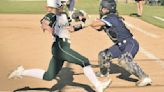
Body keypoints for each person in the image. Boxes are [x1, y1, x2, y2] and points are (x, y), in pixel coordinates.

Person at [8, 0, 111, 92]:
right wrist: (49, 29)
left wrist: (82, 19)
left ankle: (21, 72)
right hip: (60, 47)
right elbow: (44, 23)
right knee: (84, 61)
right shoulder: (52, 15)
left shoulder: (65, 15)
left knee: (48, 76)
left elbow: (70, 27)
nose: (64, 4)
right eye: (62, 3)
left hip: (62, 47)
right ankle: (98, 86)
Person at [66, 0, 152, 87]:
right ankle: (103, 73)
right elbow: (97, 27)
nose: (101, 10)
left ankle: (144, 77)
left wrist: (77, 26)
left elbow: (94, 23)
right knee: (103, 55)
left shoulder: (111, 18)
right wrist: (84, 19)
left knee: (124, 60)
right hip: (120, 45)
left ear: (108, 9)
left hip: (130, 43)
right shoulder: (107, 18)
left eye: (103, 8)